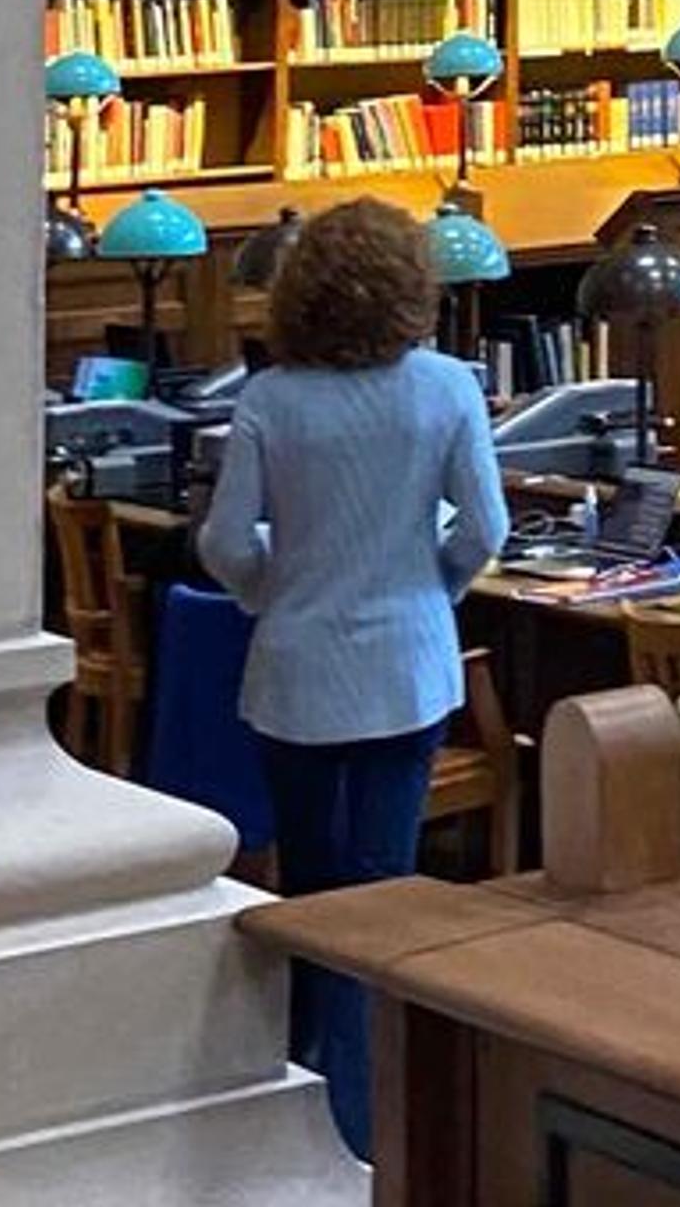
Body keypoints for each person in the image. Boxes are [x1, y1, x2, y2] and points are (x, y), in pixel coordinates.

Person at [198, 197, 506, 1161]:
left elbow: (220, 542)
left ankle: (298, 1094)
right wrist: (432, 589)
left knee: (315, 884)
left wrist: (268, 586)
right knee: (387, 886)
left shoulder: (271, 401)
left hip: (295, 669)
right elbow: (485, 530)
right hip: (406, 669)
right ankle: (372, 1125)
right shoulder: (449, 388)